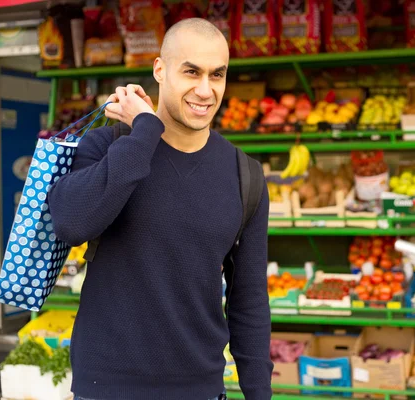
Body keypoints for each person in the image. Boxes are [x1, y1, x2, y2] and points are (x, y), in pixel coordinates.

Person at [47, 18, 273, 400]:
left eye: (217, 75)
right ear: (160, 70)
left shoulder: (245, 176)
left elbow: (249, 301)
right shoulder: (108, 147)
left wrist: (259, 395)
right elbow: (71, 222)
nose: (205, 90)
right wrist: (146, 129)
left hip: (199, 390)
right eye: (191, 72)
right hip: (106, 389)